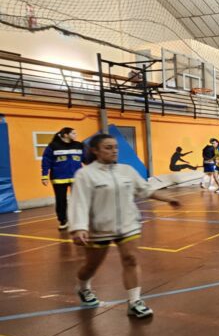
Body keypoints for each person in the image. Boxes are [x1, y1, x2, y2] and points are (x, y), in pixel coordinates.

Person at [68, 134, 181, 319]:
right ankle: (83, 287)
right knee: (91, 266)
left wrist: (168, 198)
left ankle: (135, 302)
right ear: (95, 151)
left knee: (131, 259)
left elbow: (145, 189)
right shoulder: (85, 175)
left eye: (115, 147)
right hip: (99, 229)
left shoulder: (126, 170)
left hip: (128, 225)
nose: (114, 151)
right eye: (108, 147)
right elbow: (78, 202)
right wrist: (79, 227)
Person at [41, 127, 85, 231]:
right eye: (73, 133)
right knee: (61, 201)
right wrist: (44, 176)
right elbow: (46, 161)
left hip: (76, 177)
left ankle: (79, 220)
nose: (76, 135)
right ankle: (63, 220)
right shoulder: (53, 146)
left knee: (79, 200)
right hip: (59, 178)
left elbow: (86, 158)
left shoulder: (79, 145)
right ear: (66, 135)